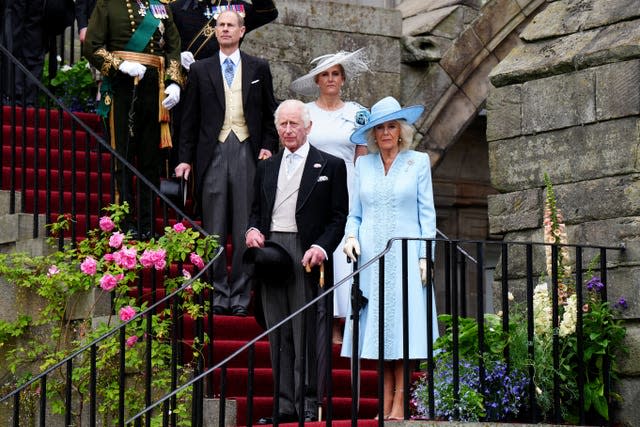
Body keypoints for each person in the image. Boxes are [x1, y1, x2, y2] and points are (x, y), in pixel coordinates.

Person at [245, 99, 348, 424]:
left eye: (294, 124)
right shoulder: (266, 166)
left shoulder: (329, 165)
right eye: (283, 125)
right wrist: (252, 231)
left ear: (308, 127)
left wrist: (322, 246)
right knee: (279, 332)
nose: (288, 130)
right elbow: (256, 212)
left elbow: (338, 217)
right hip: (272, 253)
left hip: (307, 255)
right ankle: (284, 405)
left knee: (305, 332)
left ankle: (308, 403)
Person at [341, 96, 439, 420]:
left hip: (408, 257)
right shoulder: (363, 165)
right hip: (371, 257)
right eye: (380, 127)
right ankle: (384, 402)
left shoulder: (418, 162)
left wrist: (427, 256)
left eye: (391, 126)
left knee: (404, 330)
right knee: (380, 331)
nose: (385, 133)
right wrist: (350, 236)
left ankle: (400, 402)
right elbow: (354, 214)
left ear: (401, 131)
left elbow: (428, 217)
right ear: (373, 133)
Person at [175, 10, 278, 316]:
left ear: (242, 31)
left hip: (247, 151)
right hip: (214, 154)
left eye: (230, 25)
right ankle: (219, 292)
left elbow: (270, 114)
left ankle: (242, 295)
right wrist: (184, 160)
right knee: (215, 227)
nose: (224, 30)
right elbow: (189, 121)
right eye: (220, 25)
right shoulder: (201, 70)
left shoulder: (259, 67)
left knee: (246, 225)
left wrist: (267, 147)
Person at [84, 0, 185, 238]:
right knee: (124, 157)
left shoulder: (160, 6)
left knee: (151, 161)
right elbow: (92, 46)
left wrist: (174, 82)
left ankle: (148, 224)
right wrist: (119, 65)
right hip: (122, 86)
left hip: (154, 87)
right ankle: (125, 223)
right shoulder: (109, 4)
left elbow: (173, 46)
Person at [290, 48, 369, 344]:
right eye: (325, 74)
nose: (331, 79)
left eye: (336, 73)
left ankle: (341, 324)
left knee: (342, 252)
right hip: (315, 183)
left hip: (348, 183)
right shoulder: (305, 112)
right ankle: (313, 315)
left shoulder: (357, 113)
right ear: (317, 80)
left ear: (343, 79)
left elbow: (362, 155)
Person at [169, 0, 278, 170]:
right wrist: (176, 58)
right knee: (182, 142)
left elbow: (268, 12)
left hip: (225, 91)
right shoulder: (178, 7)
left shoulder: (236, 7)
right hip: (186, 86)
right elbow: (165, 41)